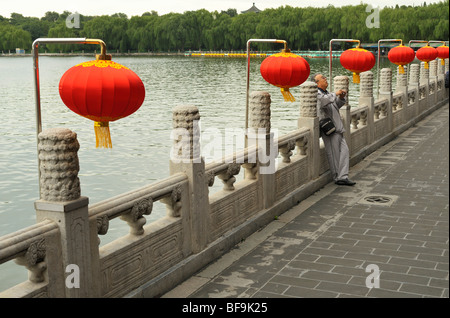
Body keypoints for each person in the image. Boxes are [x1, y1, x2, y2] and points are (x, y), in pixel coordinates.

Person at [313, 73, 356, 186]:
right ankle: (338, 176)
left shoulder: (327, 93)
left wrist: (341, 98)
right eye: (323, 78)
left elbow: (336, 105)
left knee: (345, 152)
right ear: (317, 82)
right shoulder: (316, 94)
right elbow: (323, 102)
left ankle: (343, 176)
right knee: (334, 154)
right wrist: (335, 94)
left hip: (338, 127)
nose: (325, 79)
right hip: (329, 129)